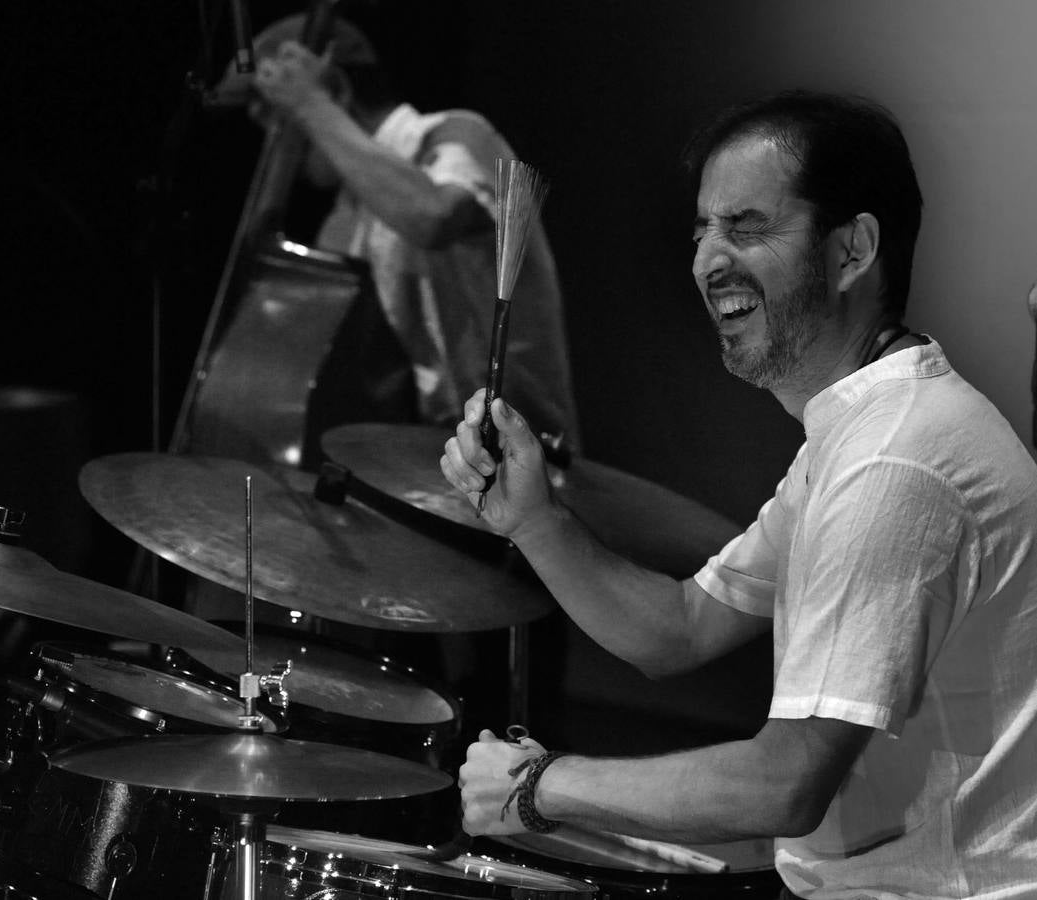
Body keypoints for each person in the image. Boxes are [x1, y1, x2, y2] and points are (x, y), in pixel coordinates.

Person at [440, 90, 1037, 897]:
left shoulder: (895, 464)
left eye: (746, 227)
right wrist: (534, 521)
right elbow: (679, 629)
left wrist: (538, 787)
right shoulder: (863, 431)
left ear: (852, 249)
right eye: (701, 230)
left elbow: (782, 785)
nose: (705, 261)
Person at [213, 13, 580, 443]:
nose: (282, 152)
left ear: (336, 91)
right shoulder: (345, 217)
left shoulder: (457, 134)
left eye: (278, 125)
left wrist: (310, 107)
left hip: (517, 456)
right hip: (423, 456)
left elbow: (433, 216)